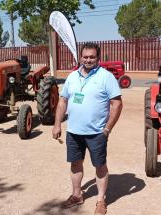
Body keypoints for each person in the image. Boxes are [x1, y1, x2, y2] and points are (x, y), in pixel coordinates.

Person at [52, 42, 123, 215]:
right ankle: (77, 195)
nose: (88, 59)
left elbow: (117, 104)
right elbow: (63, 101)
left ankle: (100, 200)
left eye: (92, 57)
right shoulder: (73, 76)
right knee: (75, 164)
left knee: (100, 166)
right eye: (85, 56)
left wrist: (107, 129)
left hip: (97, 133)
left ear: (98, 58)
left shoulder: (106, 77)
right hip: (74, 132)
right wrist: (57, 124)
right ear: (80, 57)